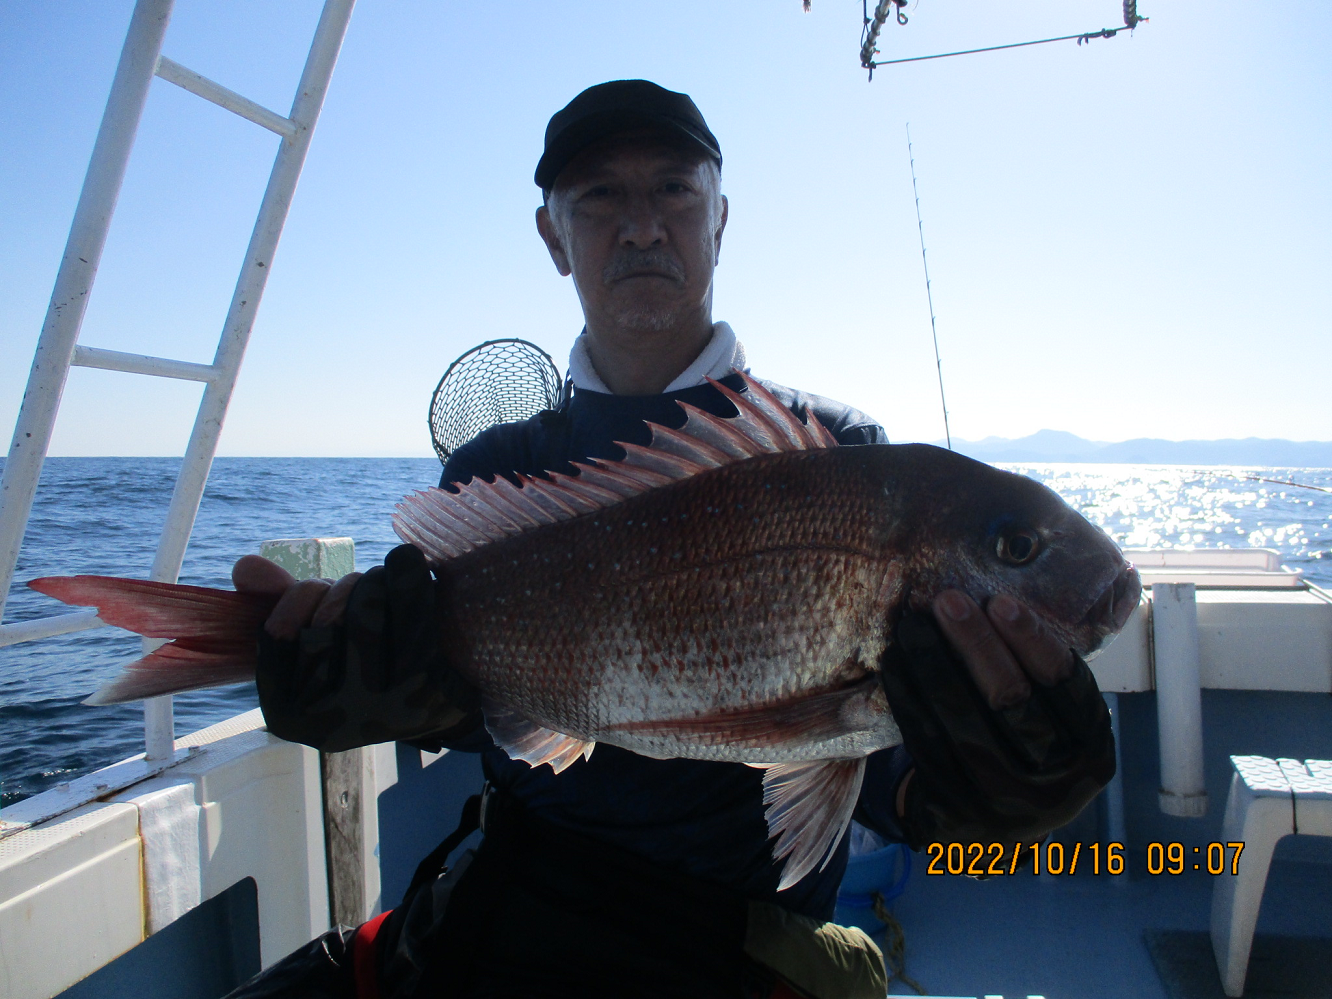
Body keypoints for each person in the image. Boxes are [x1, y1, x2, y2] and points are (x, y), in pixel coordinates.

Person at [226, 81, 1115, 999]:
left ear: (720, 218)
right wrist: (386, 685)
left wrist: (976, 791)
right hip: (512, 903)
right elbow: (490, 709)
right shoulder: (500, 471)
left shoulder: (839, 455)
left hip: (729, 944)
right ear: (551, 234)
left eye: (674, 192)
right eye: (601, 196)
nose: (642, 226)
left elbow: (872, 752)